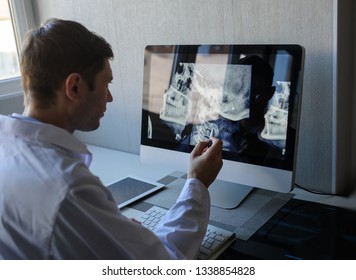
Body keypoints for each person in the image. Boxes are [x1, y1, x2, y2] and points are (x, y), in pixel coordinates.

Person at [0, 18, 223, 259]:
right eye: (106, 83)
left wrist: (111, 229)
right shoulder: (70, 188)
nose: (110, 97)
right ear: (74, 87)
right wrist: (197, 183)